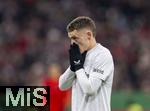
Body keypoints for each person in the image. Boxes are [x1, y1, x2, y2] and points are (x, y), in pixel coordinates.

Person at [59, 16, 114, 111]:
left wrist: (78, 67)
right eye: (71, 39)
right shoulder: (80, 56)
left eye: (75, 38)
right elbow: (62, 86)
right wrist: (73, 67)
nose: (73, 43)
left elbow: (90, 89)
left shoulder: (102, 55)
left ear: (88, 35)